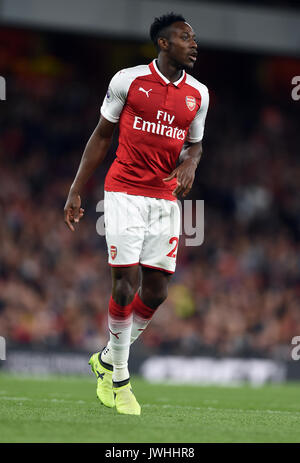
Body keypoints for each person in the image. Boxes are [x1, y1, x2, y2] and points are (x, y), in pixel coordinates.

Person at [64, 13, 209, 415]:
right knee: (125, 282)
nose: (193, 44)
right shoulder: (127, 81)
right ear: (163, 44)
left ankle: (106, 358)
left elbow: (195, 145)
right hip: (124, 190)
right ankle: (121, 380)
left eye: (193, 38)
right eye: (185, 37)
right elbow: (101, 136)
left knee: (158, 291)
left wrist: (191, 163)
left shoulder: (199, 94)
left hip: (165, 198)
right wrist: (77, 189)